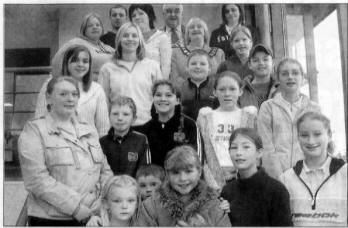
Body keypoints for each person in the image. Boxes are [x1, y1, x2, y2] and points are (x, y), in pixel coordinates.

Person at [18, 76, 113, 226]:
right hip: (52, 220)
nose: (70, 99)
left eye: (74, 94)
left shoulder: (89, 130)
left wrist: (101, 203)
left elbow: (105, 170)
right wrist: (76, 208)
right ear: (48, 98)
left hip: (92, 217)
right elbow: (37, 180)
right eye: (63, 94)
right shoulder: (34, 131)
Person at [280, 112, 347, 226]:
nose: (311, 141)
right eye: (304, 135)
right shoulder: (286, 179)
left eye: (317, 134)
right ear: (298, 138)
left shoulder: (345, 173)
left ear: (329, 135)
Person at [257, 58, 321, 179]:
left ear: (302, 77)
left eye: (295, 73)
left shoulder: (314, 109)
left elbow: (318, 145)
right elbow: (266, 147)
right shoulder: (268, 107)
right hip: (275, 178)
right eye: (285, 74)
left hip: (308, 177)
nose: (290, 77)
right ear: (278, 78)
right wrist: (281, 178)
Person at [137, 145, 232, 226]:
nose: (182, 178)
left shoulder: (215, 205)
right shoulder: (151, 206)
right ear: (167, 174)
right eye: (176, 172)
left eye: (188, 171)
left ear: (199, 172)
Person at [219, 128, 293, 226]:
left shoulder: (276, 191)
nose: (238, 152)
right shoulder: (227, 191)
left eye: (246, 147)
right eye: (234, 148)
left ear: (259, 153)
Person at [197, 71, 257, 191]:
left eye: (232, 89)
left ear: (240, 91)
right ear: (214, 92)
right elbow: (203, 150)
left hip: (243, 174)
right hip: (213, 177)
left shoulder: (248, 115)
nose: (227, 94)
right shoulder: (206, 116)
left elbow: (255, 147)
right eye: (222, 89)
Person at [35, 45, 110, 137]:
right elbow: (39, 120)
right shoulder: (50, 85)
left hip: (88, 147)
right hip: (57, 146)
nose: (80, 64)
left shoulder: (97, 89)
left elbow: (103, 130)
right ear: (66, 63)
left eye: (85, 61)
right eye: (75, 60)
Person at [99, 22, 163, 128]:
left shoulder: (152, 66)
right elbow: (103, 102)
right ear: (119, 40)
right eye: (125, 35)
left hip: (147, 125)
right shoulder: (107, 69)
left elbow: (161, 97)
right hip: (118, 127)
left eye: (134, 35)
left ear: (140, 40)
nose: (130, 39)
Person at [138, 80, 201, 167]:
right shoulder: (145, 129)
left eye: (168, 95)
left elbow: (197, 158)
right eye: (158, 95)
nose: (163, 99)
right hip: (154, 178)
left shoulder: (189, 125)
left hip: (181, 177)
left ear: (177, 101)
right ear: (153, 99)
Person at [51, 13, 114, 81]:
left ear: (102, 29)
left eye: (98, 25)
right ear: (84, 30)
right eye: (90, 25)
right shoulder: (75, 43)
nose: (95, 27)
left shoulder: (107, 47)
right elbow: (56, 63)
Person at [100, 96, 151, 177]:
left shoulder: (141, 140)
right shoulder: (102, 142)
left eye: (125, 114)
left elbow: (145, 171)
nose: (120, 118)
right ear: (109, 117)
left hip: (133, 187)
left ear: (134, 119)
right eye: (115, 114)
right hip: (109, 187)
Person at [171, 17, 225, 83]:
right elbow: (175, 79)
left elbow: (222, 78)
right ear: (188, 34)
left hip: (212, 92)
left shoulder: (219, 53)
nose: (195, 29)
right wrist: (191, 90)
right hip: (184, 92)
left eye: (199, 27)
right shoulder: (176, 52)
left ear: (205, 32)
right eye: (192, 27)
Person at [129, 4, 172, 79]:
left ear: (149, 16)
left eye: (141, 13)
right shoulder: (130, 39)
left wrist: (161, 86)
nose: (137, 17)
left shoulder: (162, 37)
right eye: (133, 15)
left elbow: (166, 66)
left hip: (156, 83)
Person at [178, 49, 217, 120]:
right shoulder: (180, 88)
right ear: (187, 68)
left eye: (202, 64)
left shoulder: (216, 87)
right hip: (187, 127)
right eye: (193, 64)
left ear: (209, 69)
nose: (198, 67)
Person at [239, 44, 279, 109]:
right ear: (249, 65)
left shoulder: (282, 88)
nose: (261, 63)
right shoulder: (241, 90)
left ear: (273, 63)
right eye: (255, 60)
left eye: (265, 59)